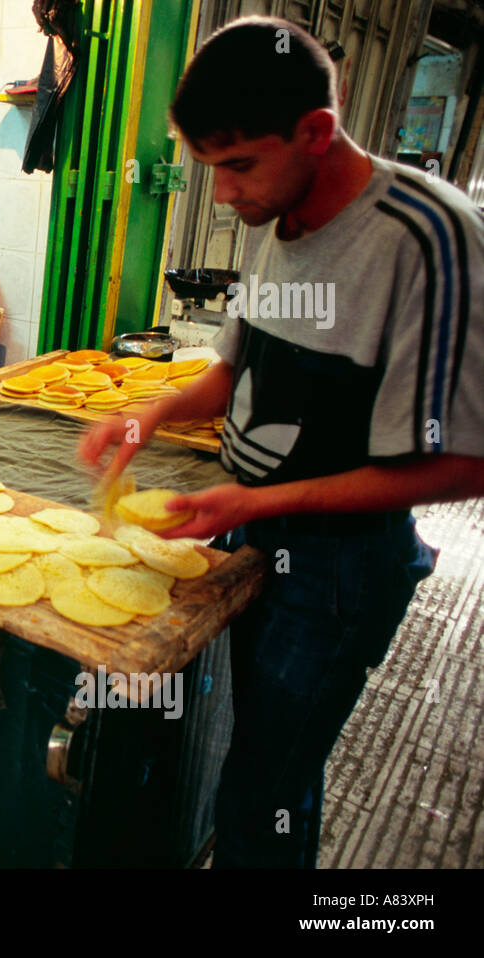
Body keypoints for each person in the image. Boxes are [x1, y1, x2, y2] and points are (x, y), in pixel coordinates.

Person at [80, 16, 484, 867]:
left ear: (317, 132)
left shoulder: (427, 239)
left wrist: (258, 501)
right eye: (210, 169)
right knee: (233, 748)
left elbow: (464, 462)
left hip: (338, 571)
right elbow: (234, 370)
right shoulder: (278, 217)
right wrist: (145, 416)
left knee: (266, 786)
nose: (223, 196)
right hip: (246, 531)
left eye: (237, 166)